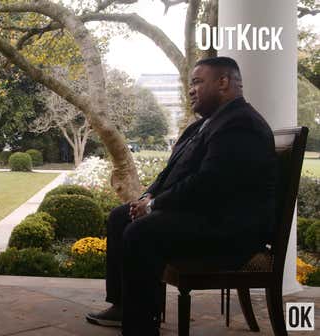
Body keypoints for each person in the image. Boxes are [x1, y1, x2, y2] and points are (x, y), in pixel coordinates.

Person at [85, 57, 277, 335]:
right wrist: (148, 195)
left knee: (141, 232)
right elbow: (171, 171)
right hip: (207, 218)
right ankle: (123, 307)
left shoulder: (240, 124)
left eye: (198, 82)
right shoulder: (204, 125)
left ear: (223, 82)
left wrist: (154, 207)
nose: (191, 90)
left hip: (232, 230)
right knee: (120, 217)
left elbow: (208, 184)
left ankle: (140, 327)